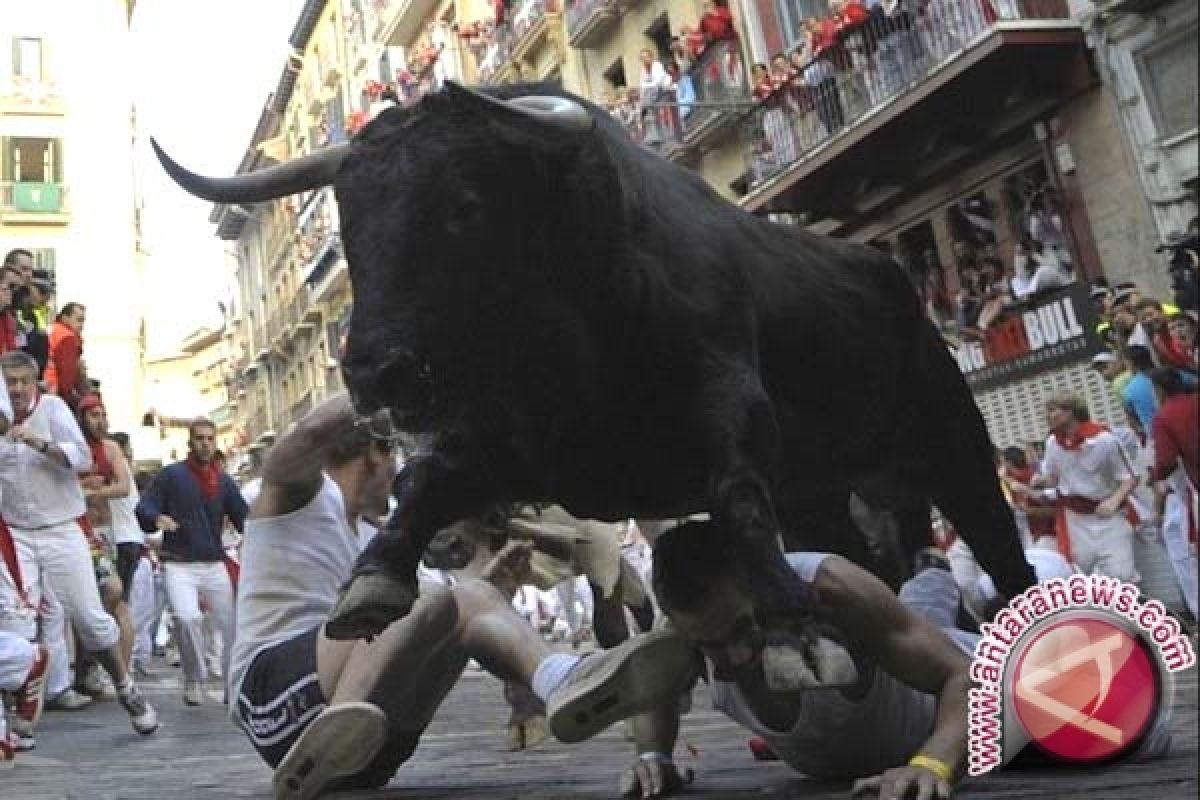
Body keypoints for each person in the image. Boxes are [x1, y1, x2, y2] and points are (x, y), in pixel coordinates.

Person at [233, 395, 695, 800]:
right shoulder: (298, 499)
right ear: (374, 454)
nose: (398, 477)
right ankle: (335, 727)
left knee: (465, 597)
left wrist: (493, 591)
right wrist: (393, 388)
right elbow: (312, 431)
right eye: (394, 459)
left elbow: (436, 620)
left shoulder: (380, 536)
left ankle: (562, 681)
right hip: (274, 702)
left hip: (372, 752)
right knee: (419, 597)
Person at [0, 351, 158, 736]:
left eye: (22, 381)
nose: (16, 389)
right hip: (16, 533)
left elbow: (82, 457)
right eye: (9, 382)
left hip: (62, 528)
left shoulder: (53, 409)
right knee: (14, 622)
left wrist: (39, 443)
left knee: (89, 618)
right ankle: (17, 721)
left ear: (34, 383)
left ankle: (126, 687)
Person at [136, 418, 245, 705]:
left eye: (210, 438)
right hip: (178, 563)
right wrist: (156, 517)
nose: (205, 444)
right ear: (190, 442)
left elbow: (244, 518)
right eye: (199, 438)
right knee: (186, 618)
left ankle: (232, 683)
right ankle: (194, 678)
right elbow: (145, 506)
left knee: (231, 625)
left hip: (213, 563)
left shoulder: (224, 482)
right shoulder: (171, 476)